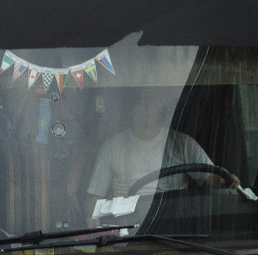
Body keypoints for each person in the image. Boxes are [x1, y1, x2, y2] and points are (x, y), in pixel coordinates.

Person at [85, 90, 237, 220]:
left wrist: (227, 182)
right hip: (129, 228)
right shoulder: (112, 147)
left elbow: (211, 180)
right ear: (130, 108)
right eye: (140, 100)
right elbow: (93, 200)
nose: (147, 107)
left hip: (175, 225)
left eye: (152, 100)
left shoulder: (182, 144)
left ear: (162, 105)